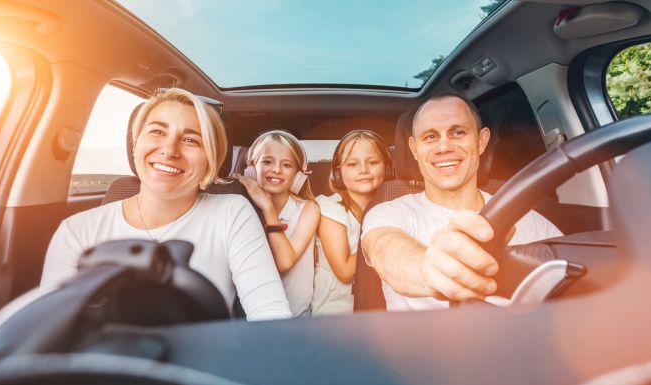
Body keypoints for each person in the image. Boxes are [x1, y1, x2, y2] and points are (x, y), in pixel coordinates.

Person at [41, 88, 292, 321]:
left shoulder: (232, 212)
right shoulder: (76, 231)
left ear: (212, 160)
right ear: (136, 143)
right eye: (157, 132)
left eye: (191, 140)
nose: (169, 149)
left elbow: (270, 312)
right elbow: (51, 329)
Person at [361, 94, 562, 311]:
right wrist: (427, 269)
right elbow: (384, 249)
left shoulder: (527, 220)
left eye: (458, 132)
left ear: (481, 141)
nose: (444, 147)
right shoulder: (388, 212)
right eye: (430, 137)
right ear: (414, 149)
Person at [238, 130, 321, 317]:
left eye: (287, 165)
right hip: (252, 314)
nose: (276, 170)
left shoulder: (308, 209)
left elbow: (285, 262)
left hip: (297, 315)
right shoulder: (239, 206)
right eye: (267, 162)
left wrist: (267, 207)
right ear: (251, 168)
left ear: (299, 175)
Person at [312, 130, 392, 315]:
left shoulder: (393, 207)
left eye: (372, 163)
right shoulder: (330, 208)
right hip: (336, 311)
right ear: (338, 173)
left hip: (381, 310)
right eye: (352, 164)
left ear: (387, 168)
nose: (363, 170)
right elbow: (346, 270)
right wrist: (384, 243)